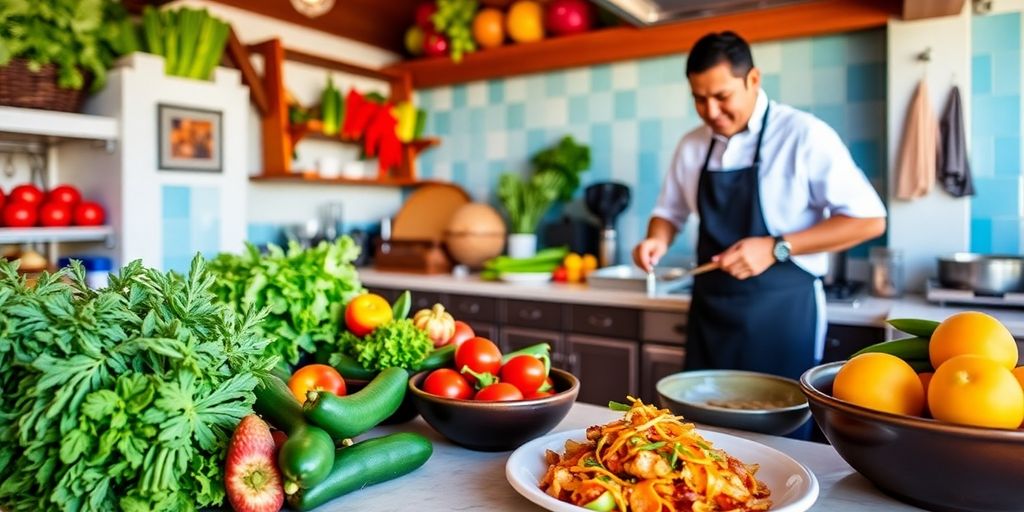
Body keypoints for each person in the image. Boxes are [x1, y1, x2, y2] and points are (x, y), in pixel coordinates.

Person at [633, 31, 886, 381]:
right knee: (700, 430)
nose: (712, 112)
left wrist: (777, 247)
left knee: (781, 427)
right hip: (710, 312)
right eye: (700, 99)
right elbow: (669, 212)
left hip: (782, 314)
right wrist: (657, 240)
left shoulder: (803, 135)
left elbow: (869, 220)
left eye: (722, 97)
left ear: (753, 79)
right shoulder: (691, 145)